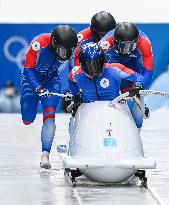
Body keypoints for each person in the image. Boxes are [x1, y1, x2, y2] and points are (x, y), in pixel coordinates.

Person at [21, 25, 78, 169]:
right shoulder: (39, 44)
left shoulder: (71, 50)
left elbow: (73, 73)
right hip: (32, 79)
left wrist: (75, 91)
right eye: (62, 50)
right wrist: (37, 87)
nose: (65, 55)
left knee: (50, 115)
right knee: (27, 119)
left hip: (52, 80)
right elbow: (28, 69)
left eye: (68, 51)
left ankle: (45, 155)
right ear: (53, 43)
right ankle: (28, 114)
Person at [68, 42, 145, 122]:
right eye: (88, 65)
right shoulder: (76, 73)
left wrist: (137, 85)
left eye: (95, 64)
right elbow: (70, 80)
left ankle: (137, 126)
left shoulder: (114, 69)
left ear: (102, 60)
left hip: (114, 111)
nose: (92, 70)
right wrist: (76, 97)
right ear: (81, 64)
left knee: (139, 98)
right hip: (89, 114)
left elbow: (137, 76)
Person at [99, 22, 154, 129]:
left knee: (136, 91)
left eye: (129, 46)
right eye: (121, 46)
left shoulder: (145, 44)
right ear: (114, 41)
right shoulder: (104, 44)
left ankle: (137, 126)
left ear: (137, 43)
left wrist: (139, 86)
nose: (125, 51)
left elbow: (148, 72)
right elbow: (97, 67)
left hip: (134, 60)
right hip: (113, 60)